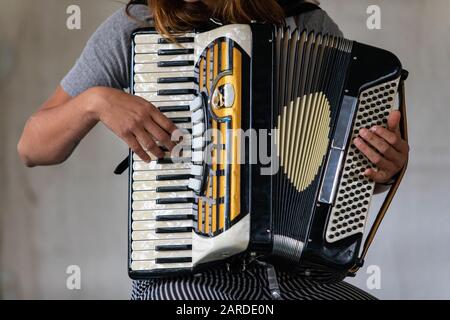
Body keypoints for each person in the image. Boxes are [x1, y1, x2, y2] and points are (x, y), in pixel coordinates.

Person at [17, 0, 409, 300]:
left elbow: (335, 170)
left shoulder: (304, 21)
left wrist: (380, 168)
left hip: (294, 278)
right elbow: (33, 147)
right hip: (186, 279)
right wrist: (94, 102)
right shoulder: (135, 26)